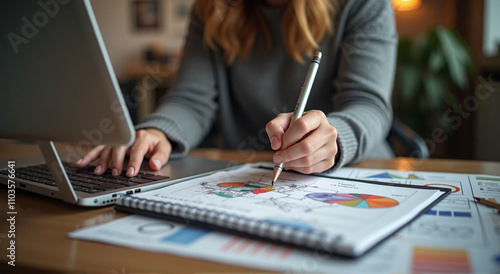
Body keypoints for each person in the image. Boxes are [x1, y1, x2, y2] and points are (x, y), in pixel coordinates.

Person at [76, 0, 397, 177]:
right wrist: (158, 133)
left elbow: (368, 103)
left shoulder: (364, 4)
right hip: (248, 177)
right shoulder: (212, 8)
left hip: (356, 172)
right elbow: (191, 99)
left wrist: (336, 138)